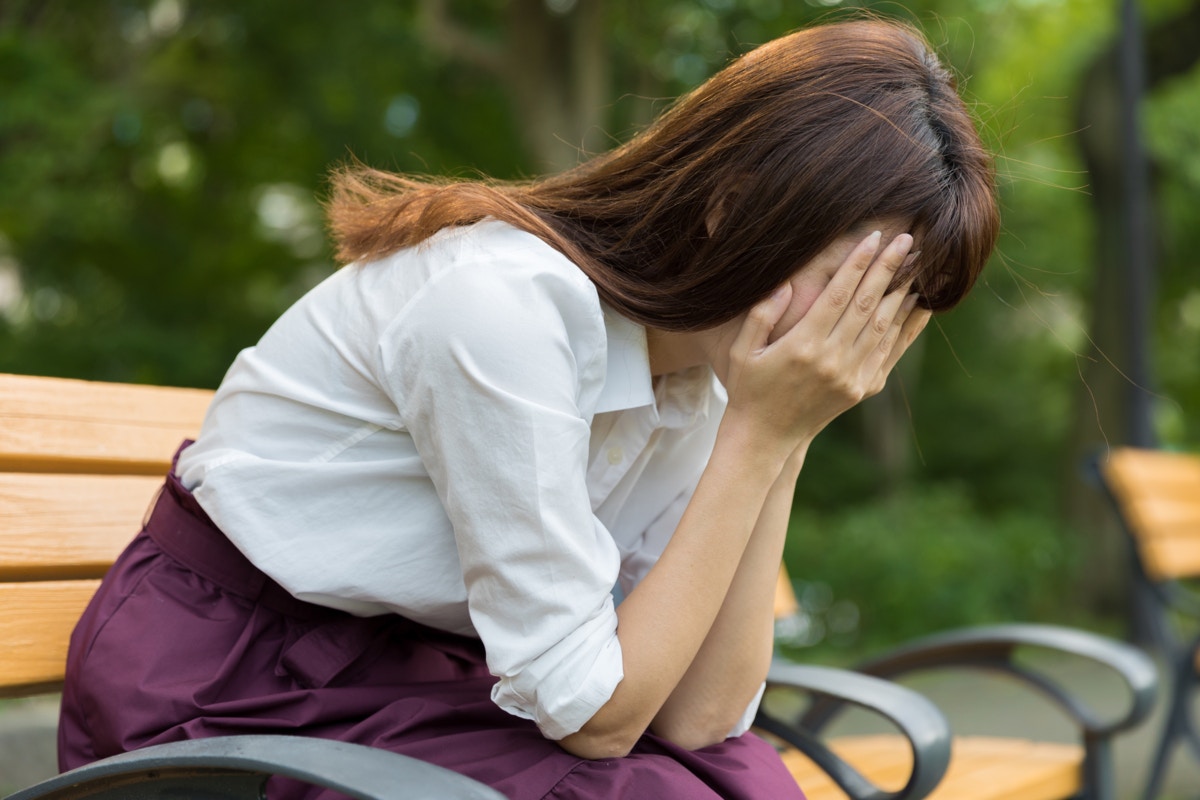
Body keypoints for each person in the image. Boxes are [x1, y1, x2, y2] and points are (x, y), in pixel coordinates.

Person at [58, 16, 999, 800]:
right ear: (735, 206)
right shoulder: (502, 305)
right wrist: (760, 434)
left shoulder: (711, 371)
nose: (848, 341)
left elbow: (701, 718)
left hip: (408, 671)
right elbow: (598, 721)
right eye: (850, 289)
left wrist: (785, 435)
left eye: (890, 312)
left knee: (743, 779)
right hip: (230, 683)